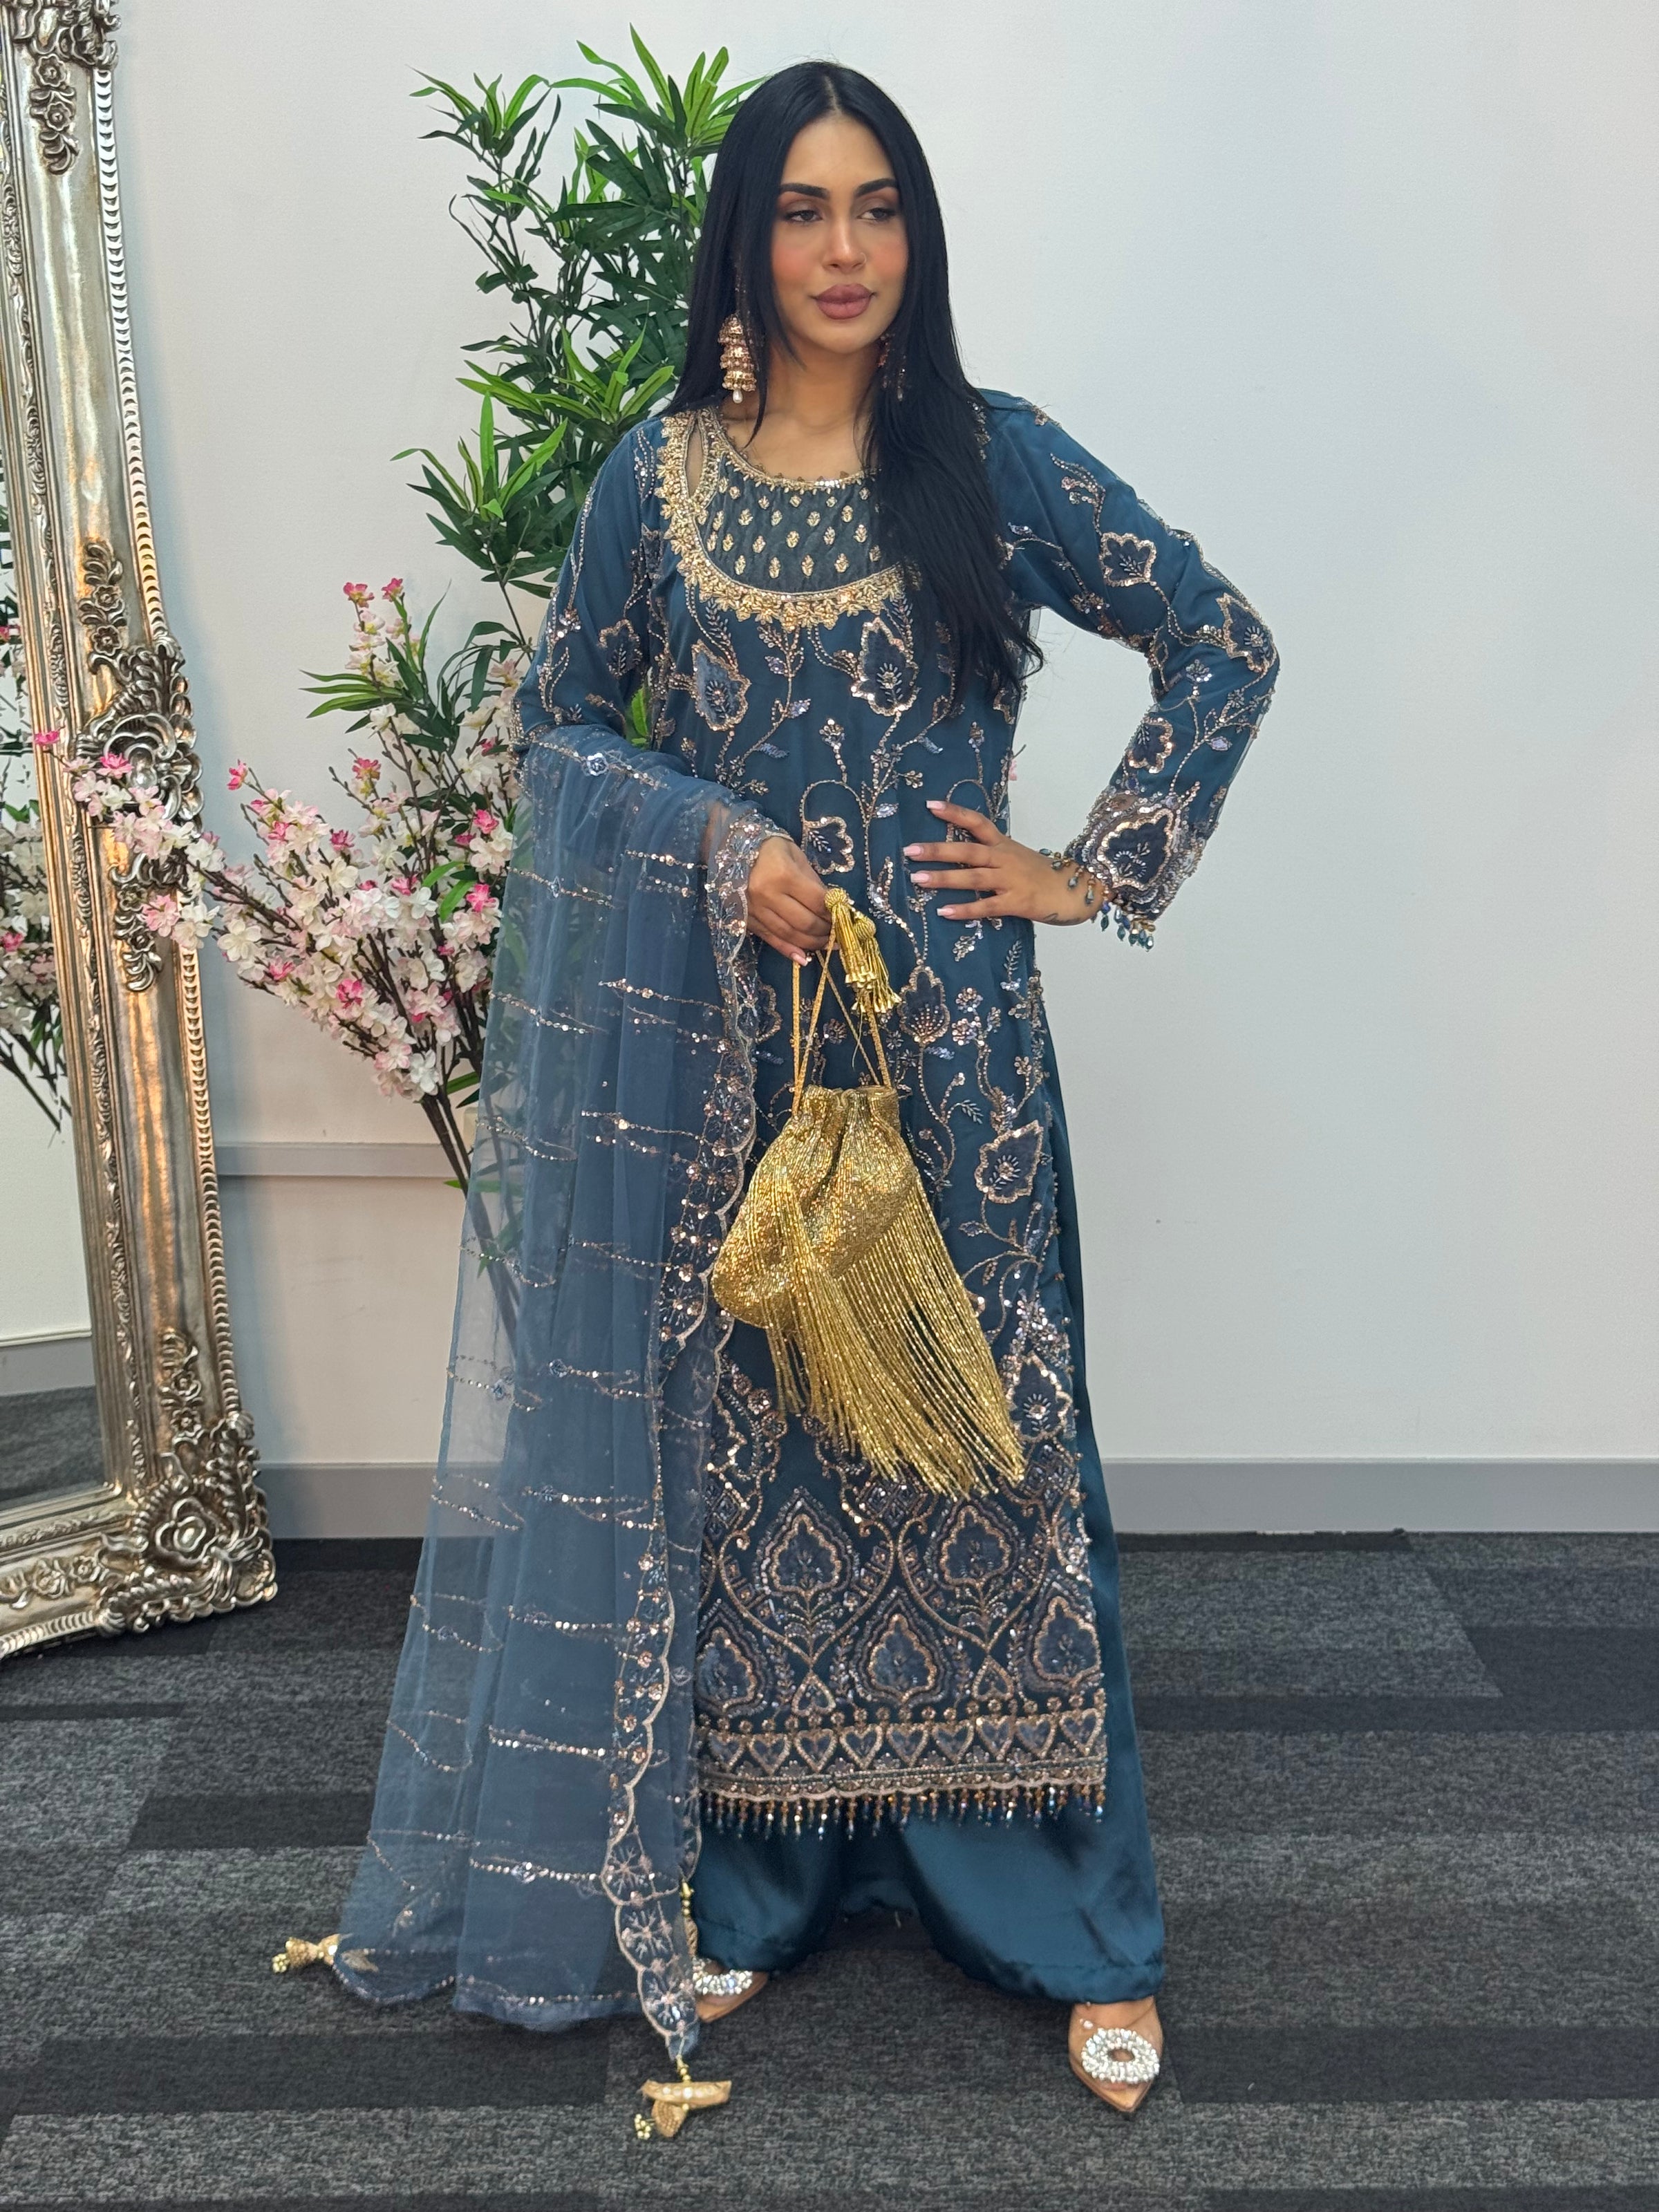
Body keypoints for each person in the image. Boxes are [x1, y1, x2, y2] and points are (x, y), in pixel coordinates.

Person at [318, 59, 1276, 2125]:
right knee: (763, 1468)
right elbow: (559, 730)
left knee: (991, 1452)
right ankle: (768, 1871)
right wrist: (708, 841)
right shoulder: (655, 482)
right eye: (805, 210)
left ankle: (1075, 1924)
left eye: (881, 208)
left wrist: (1092, 870)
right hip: (743, 1065)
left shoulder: (991, 461)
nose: (847, 251)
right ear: (744, 239)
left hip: (958, 1072)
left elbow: (1221, 639)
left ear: (916, 233)